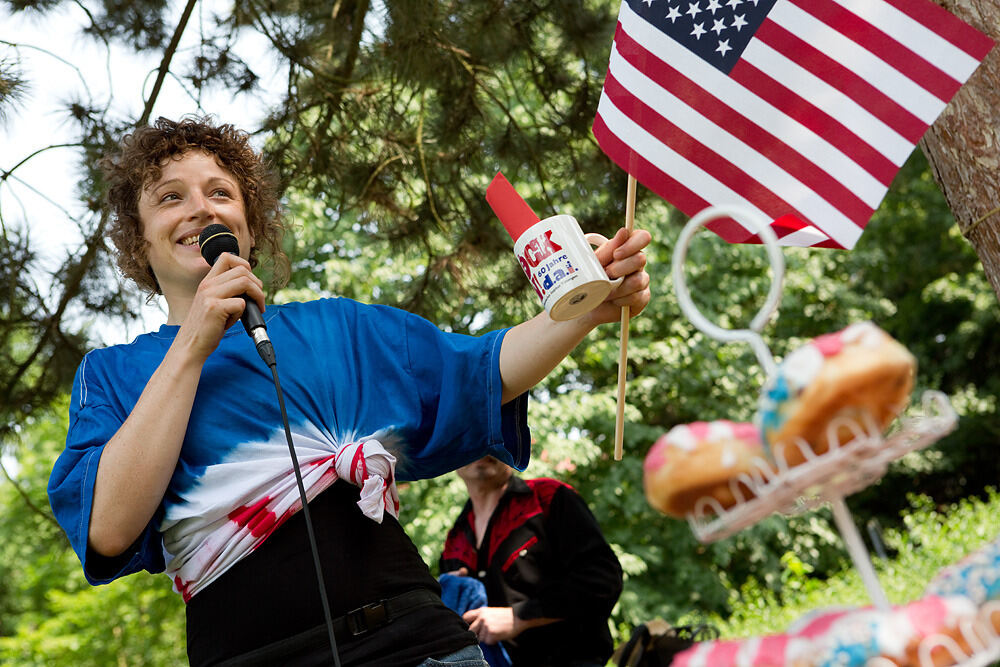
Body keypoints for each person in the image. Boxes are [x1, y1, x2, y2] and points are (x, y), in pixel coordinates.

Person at [46, 115, 651, 666]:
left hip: (415, 645)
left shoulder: (333, 328)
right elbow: (108, 528)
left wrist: (585, 307)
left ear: (250, 230)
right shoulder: (113, 374)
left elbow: (486, 370)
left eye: (221, 193)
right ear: (140, 241)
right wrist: (191, 345)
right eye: (170, 197)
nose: (201, 208)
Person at [439, 456, 624, 667]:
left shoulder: (549, 498)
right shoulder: (454, 538)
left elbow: (604, 580)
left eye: (492, 440)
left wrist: (520, 617)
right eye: (470, 441)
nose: (482, 448)